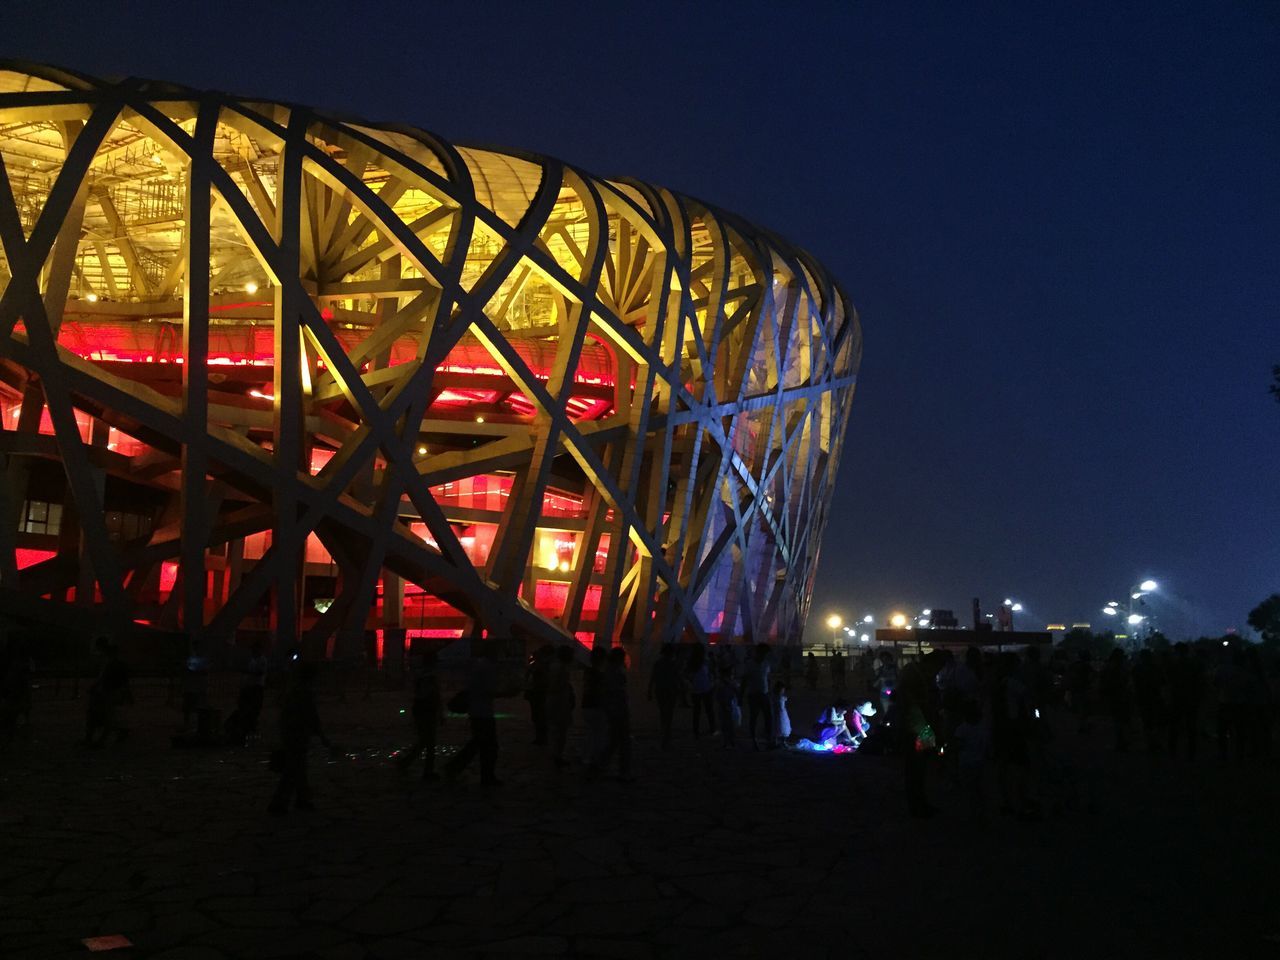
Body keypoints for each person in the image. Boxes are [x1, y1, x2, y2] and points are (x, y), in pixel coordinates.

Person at [268, 660, 333, 815]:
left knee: (299, 768)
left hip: (290, 732)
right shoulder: (304, 692)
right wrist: (322, 736)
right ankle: (279, 803)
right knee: (293, 769)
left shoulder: (293, 690)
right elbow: (311, 715)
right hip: (297, 734)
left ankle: (302, 799)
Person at [444, 641, 501, 788]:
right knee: (488, 746)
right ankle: (486, 776)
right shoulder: (487, 667)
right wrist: (507, 692)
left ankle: (454, 768)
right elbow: (489, 690)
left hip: (476, 710)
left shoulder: (477, 665)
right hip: (483, 712)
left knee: (477, 743)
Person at [398, 650, 444, 781]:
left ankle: (407, 762)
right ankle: (427, 771)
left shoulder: (420, 675)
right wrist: (440, 712)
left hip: (419, 708)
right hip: (428, 709)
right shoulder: (431, 676)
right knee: (429, 742)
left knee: (424, 740)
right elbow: (435, 695)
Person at [84, 637, 132, 746]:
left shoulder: (110, 661)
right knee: (104, 715)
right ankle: (103, 737)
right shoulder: (111, 660)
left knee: (103, 715)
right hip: (108, 690)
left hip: (109, 690)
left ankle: (98, 739)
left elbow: (106, 676)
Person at [595, 646, 633, 780]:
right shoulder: (615, 673)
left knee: (615, 740)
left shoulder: (608, 671)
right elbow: (616, 692)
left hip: (614, 710)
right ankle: (623, 771)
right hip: (618, 710)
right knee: (622, 741)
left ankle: (600, 765)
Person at [951, 701, 990, 822]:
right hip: (979, 761)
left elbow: (958, 745)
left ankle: (972, 813)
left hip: (966, 762)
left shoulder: (961, 729)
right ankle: (982, 813)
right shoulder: (982, 728)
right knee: (980, 788)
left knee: (969, 789)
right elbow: (986, 745)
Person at [1167, 642, 1204, 759]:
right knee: (1191, 725)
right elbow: (1199, 681)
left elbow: (1170, 681)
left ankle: (1173, 750)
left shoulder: (1174, 664)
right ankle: (1191, 751)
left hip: (1177, 697)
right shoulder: (1193, 664)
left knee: (1175, 725)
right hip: (1191, 698)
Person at [546, 644, 576, 768]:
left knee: (555, 730)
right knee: (561, 731)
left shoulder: (554, 666)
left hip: (553, 701)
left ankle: (555, 753)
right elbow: (558, 686)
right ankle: (558, 755)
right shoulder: (562, 669)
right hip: (560, 702)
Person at [1131, 649, 1165, 754]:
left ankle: (1149, 742)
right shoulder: (1156, 668)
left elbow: (1133, 682)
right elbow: (1162, 682)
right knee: (1155, 720)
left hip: (1142, 697)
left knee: (1146, 720)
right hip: (1154, 696)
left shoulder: (1137, 668)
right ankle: (1155, 741)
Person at [740, 642, 773, 750]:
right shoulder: (750, 664)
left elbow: (767, 678)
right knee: (754, 717)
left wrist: (769, 691)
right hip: (754, 694)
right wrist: (741, 695)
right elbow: (744, 681)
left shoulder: (766, 663)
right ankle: (755, 739)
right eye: (764, 653)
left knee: (767, 717)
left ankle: (767, 739)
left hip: (763, 693)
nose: (765, 655)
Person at [648, 644, 681, 750]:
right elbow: (677, 678)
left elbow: (653, 677)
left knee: (663, 713)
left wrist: (649, 690)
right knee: (669, 714)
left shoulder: (658, 663)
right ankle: (667, 737)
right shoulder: (673, 664)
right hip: (671, 691)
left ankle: (664, 736)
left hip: (660, 690)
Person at [580, 647, 609, 767]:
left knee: (591, 732)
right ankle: (596, 757)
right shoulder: (600, 675)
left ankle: (587, 756)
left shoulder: (588, 672)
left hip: (587, 705)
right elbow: (601, 691)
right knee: (599, 733)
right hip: (597, 705)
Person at [1100, 648, 1132, 753]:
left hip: (1115, 695)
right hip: (1123, 695)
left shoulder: (1110, 667)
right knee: (1124, 720)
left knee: (1117, 720)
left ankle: (1121, 742)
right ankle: (1124, 741)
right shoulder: (1124, 667)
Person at [524, 644, 552, 746]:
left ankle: (542, 737)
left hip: (539, 693)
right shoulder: (540, 665)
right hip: (537, 693)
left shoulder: (542, 666)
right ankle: (541, 737)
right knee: (538, 716)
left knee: (540, 716)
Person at [686, 644, 716, 738]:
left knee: (698, 711)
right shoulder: (705, 661)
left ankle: (697, 731)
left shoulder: (693, 663)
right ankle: (712, 729)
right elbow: (711, 673)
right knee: (708, 710)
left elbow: (687, 674)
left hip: (697, 689)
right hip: (705, 688)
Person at [715, 666, 739, 748]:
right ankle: (728, 741)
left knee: (728, 724)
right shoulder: (723, 684)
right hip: (726, 705)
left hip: (728, 705)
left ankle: (729, 741)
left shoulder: (727, 683)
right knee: (727, 724)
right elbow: (718, 696)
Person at [771, 679, 792, 746]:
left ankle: (783, 741)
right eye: (781, 689)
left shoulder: (782, 697)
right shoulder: (775, 697)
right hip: (777, 713)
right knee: (777, 727)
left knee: (783, 727)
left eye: (783, 689)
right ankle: (775, 741)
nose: (782, 691)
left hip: (782, 714)